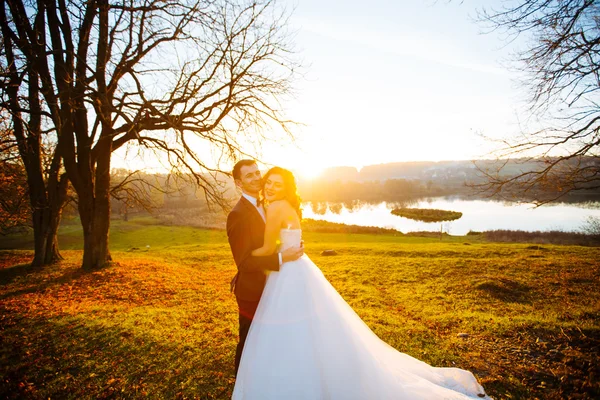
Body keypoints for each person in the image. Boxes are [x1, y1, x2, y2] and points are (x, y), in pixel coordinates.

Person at [232, 166, 492, 400]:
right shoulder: (270, 207)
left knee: (286, 329)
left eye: (275, 183)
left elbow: (265, 246)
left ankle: (287, 375)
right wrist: (277, 251)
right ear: (239, 182)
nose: (268, 185)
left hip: (287, 270)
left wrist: (273, 252)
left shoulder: (275, 206)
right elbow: (255, 253)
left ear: (286, 187)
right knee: (304, 327)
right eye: (267, 181)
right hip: (293, 268)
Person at [226, 160, 304, 375]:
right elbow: (244, 262)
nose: (256, 178)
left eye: (257, 172)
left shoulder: (267, 204)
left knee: (267, 340)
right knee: (249, 341)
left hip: (272, 284)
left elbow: (263, 245)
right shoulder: (238, 214)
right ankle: (242, 384)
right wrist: (282, 256)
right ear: (238, 183)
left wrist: (290, 243)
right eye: (249, 176)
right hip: (252, 289)